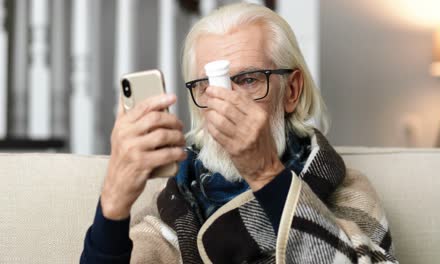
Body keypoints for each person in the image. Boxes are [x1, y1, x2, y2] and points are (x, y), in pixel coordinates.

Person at [80, 3, 397, 263]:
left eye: (248, 80)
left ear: (291, 91)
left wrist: (266, 173)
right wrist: (113, 201)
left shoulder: (346, 190)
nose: (226, 102)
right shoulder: (178, 201)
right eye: (208, 86)